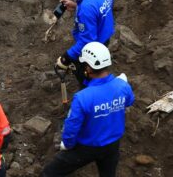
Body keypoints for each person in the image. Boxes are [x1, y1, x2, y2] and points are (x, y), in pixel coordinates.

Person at [42, 42, 134, 177]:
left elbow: (72, 127)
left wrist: (67, 144)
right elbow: (129, 101)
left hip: (87, 147)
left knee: (49, 173)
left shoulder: (82, 97)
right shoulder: (123, 86)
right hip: (112, 145)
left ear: (89, 68)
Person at [56, 0, 115, 87]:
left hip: (94, 46)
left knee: (86, 74)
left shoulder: (87, 8)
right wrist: (78, 7)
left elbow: (87, 41)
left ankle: (90, 92)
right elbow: (99, 9)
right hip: (105, 34)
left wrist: (66, 57)